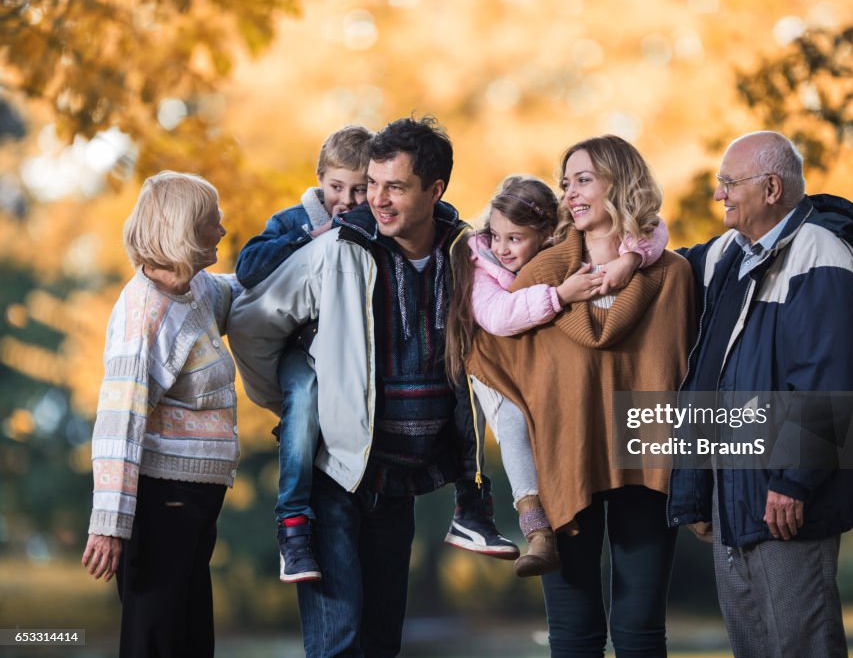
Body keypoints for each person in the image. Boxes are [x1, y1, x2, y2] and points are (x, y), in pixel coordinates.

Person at [227, 116, 514, 657]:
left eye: (395, 187)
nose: (376, 200)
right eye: (373, 184)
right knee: (338, 643)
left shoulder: (467, 255)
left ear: (435, 190)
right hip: (335, 472)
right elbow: (249, 322)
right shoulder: (338, 247)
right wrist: (297, 404)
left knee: (382, 643)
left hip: (404, 480)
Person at [466, 135, 695, 657]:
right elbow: (496, 355)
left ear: (622, 181)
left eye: (583, 179)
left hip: (648, 466)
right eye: (566, 182)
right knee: (573, 632)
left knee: (641, 629)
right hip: (565, 460)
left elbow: (682, 376)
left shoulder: (672, 275)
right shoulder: (539, 279)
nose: (569, 193)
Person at [667, 131, 853, 658]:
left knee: (800, 646)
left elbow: (829, 382)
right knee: (755, 647)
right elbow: (664, 269)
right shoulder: (730, 253)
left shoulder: (821, 253)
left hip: (784, 496)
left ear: (771, 188)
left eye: (729, 183)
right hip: (734, 492)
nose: (719, 195)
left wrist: (794, 480)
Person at [445, 174, 669, 576]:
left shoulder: (566, 246)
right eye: (496, 235)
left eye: (514, 239)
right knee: (515, 423)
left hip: (540, 368)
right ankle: (535, 527)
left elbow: (654, 227)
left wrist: (630, 258)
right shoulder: (480, 260)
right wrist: (561, 295)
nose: (502, 247)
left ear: (547, 233)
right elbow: (497, 316)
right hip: (497, 370)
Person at [80, 171, 240, 658]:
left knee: (191, 641)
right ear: (184, 230)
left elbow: (247, 290)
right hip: (160, 500)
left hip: (193, 503)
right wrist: (109, 523)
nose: (222, 231)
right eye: (213, 222)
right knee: (156, 640)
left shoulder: (195, 291)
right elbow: (119, 423)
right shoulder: (143, 314)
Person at [234, 125, 372, 583]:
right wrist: (306, 238)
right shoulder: (294, 219)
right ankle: (292, 526)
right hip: (299, 346)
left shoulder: (376, 226)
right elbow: (248, 268)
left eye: (359, 189)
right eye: (337, 187)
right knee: (304, 392)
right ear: (320, 180)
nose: (348, 200)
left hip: (349, 350)